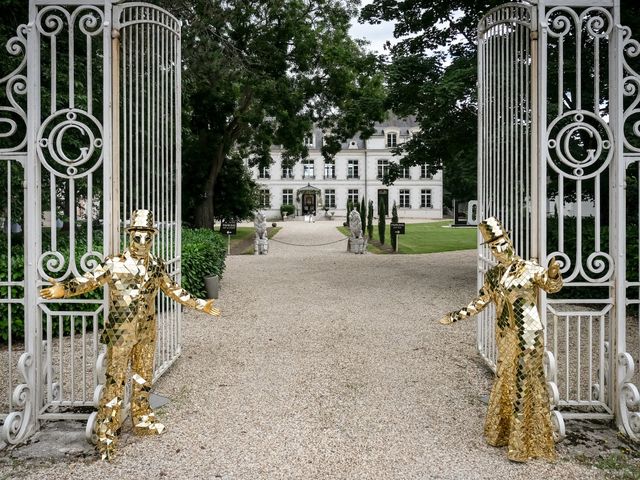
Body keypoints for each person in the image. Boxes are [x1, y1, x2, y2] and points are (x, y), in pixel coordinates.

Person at [40, 210, 220, 460]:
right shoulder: (114, 263)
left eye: (147, 238)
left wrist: (201, 304)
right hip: (120, 333)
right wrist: (64, 289)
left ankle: (142, 418)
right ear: (130, 236)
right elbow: (88, 280)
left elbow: (172, 289)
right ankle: (106, 432)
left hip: (147, 332)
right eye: (138, 237)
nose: (142, 243)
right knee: (115, 381)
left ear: (153, 237)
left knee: (143, 378)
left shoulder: (156, 265)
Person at [439, 217, 562, 462]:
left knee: (524, 381)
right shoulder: (493, 275)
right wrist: (456, 316)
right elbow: (481, 301)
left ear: (510, 241)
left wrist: (554, 274)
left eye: (501, 243)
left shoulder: (529, 268)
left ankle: (525, 444)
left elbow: (551, 286)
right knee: (505, 378)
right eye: (493, 247)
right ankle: (503, 433)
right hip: (505, 335)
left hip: (529, 335)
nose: (499, 250)